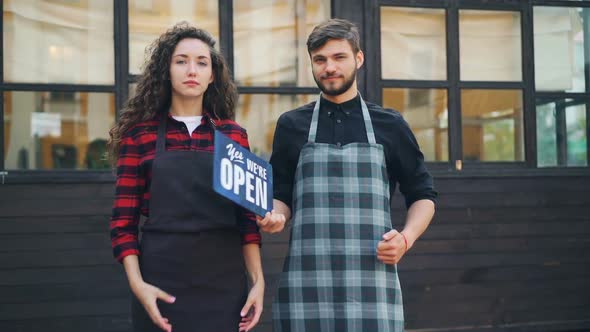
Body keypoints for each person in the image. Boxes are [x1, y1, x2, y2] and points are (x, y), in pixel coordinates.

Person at [257, 18, 437, 331]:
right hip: (306, 280)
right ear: (311, 64)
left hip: (373, 282)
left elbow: (423, 195)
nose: (329, 68)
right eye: (320, 60)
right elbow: (282, 196)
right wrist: (276, 215)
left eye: (339, 57)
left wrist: (405, 239)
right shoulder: (291, 125)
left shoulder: (390, 124)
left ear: (358, 58)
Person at [108, 23, 264, 332]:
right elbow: (123, 225)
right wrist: (139, 286)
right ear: (166, 70)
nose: (191, 70)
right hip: (160, 286)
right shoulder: (140, 137)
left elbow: (247, 220)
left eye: (201, 62)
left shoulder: (233, 136)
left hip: (224, 285)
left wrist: (258, 282)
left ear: (212, 75)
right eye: (181, 61)